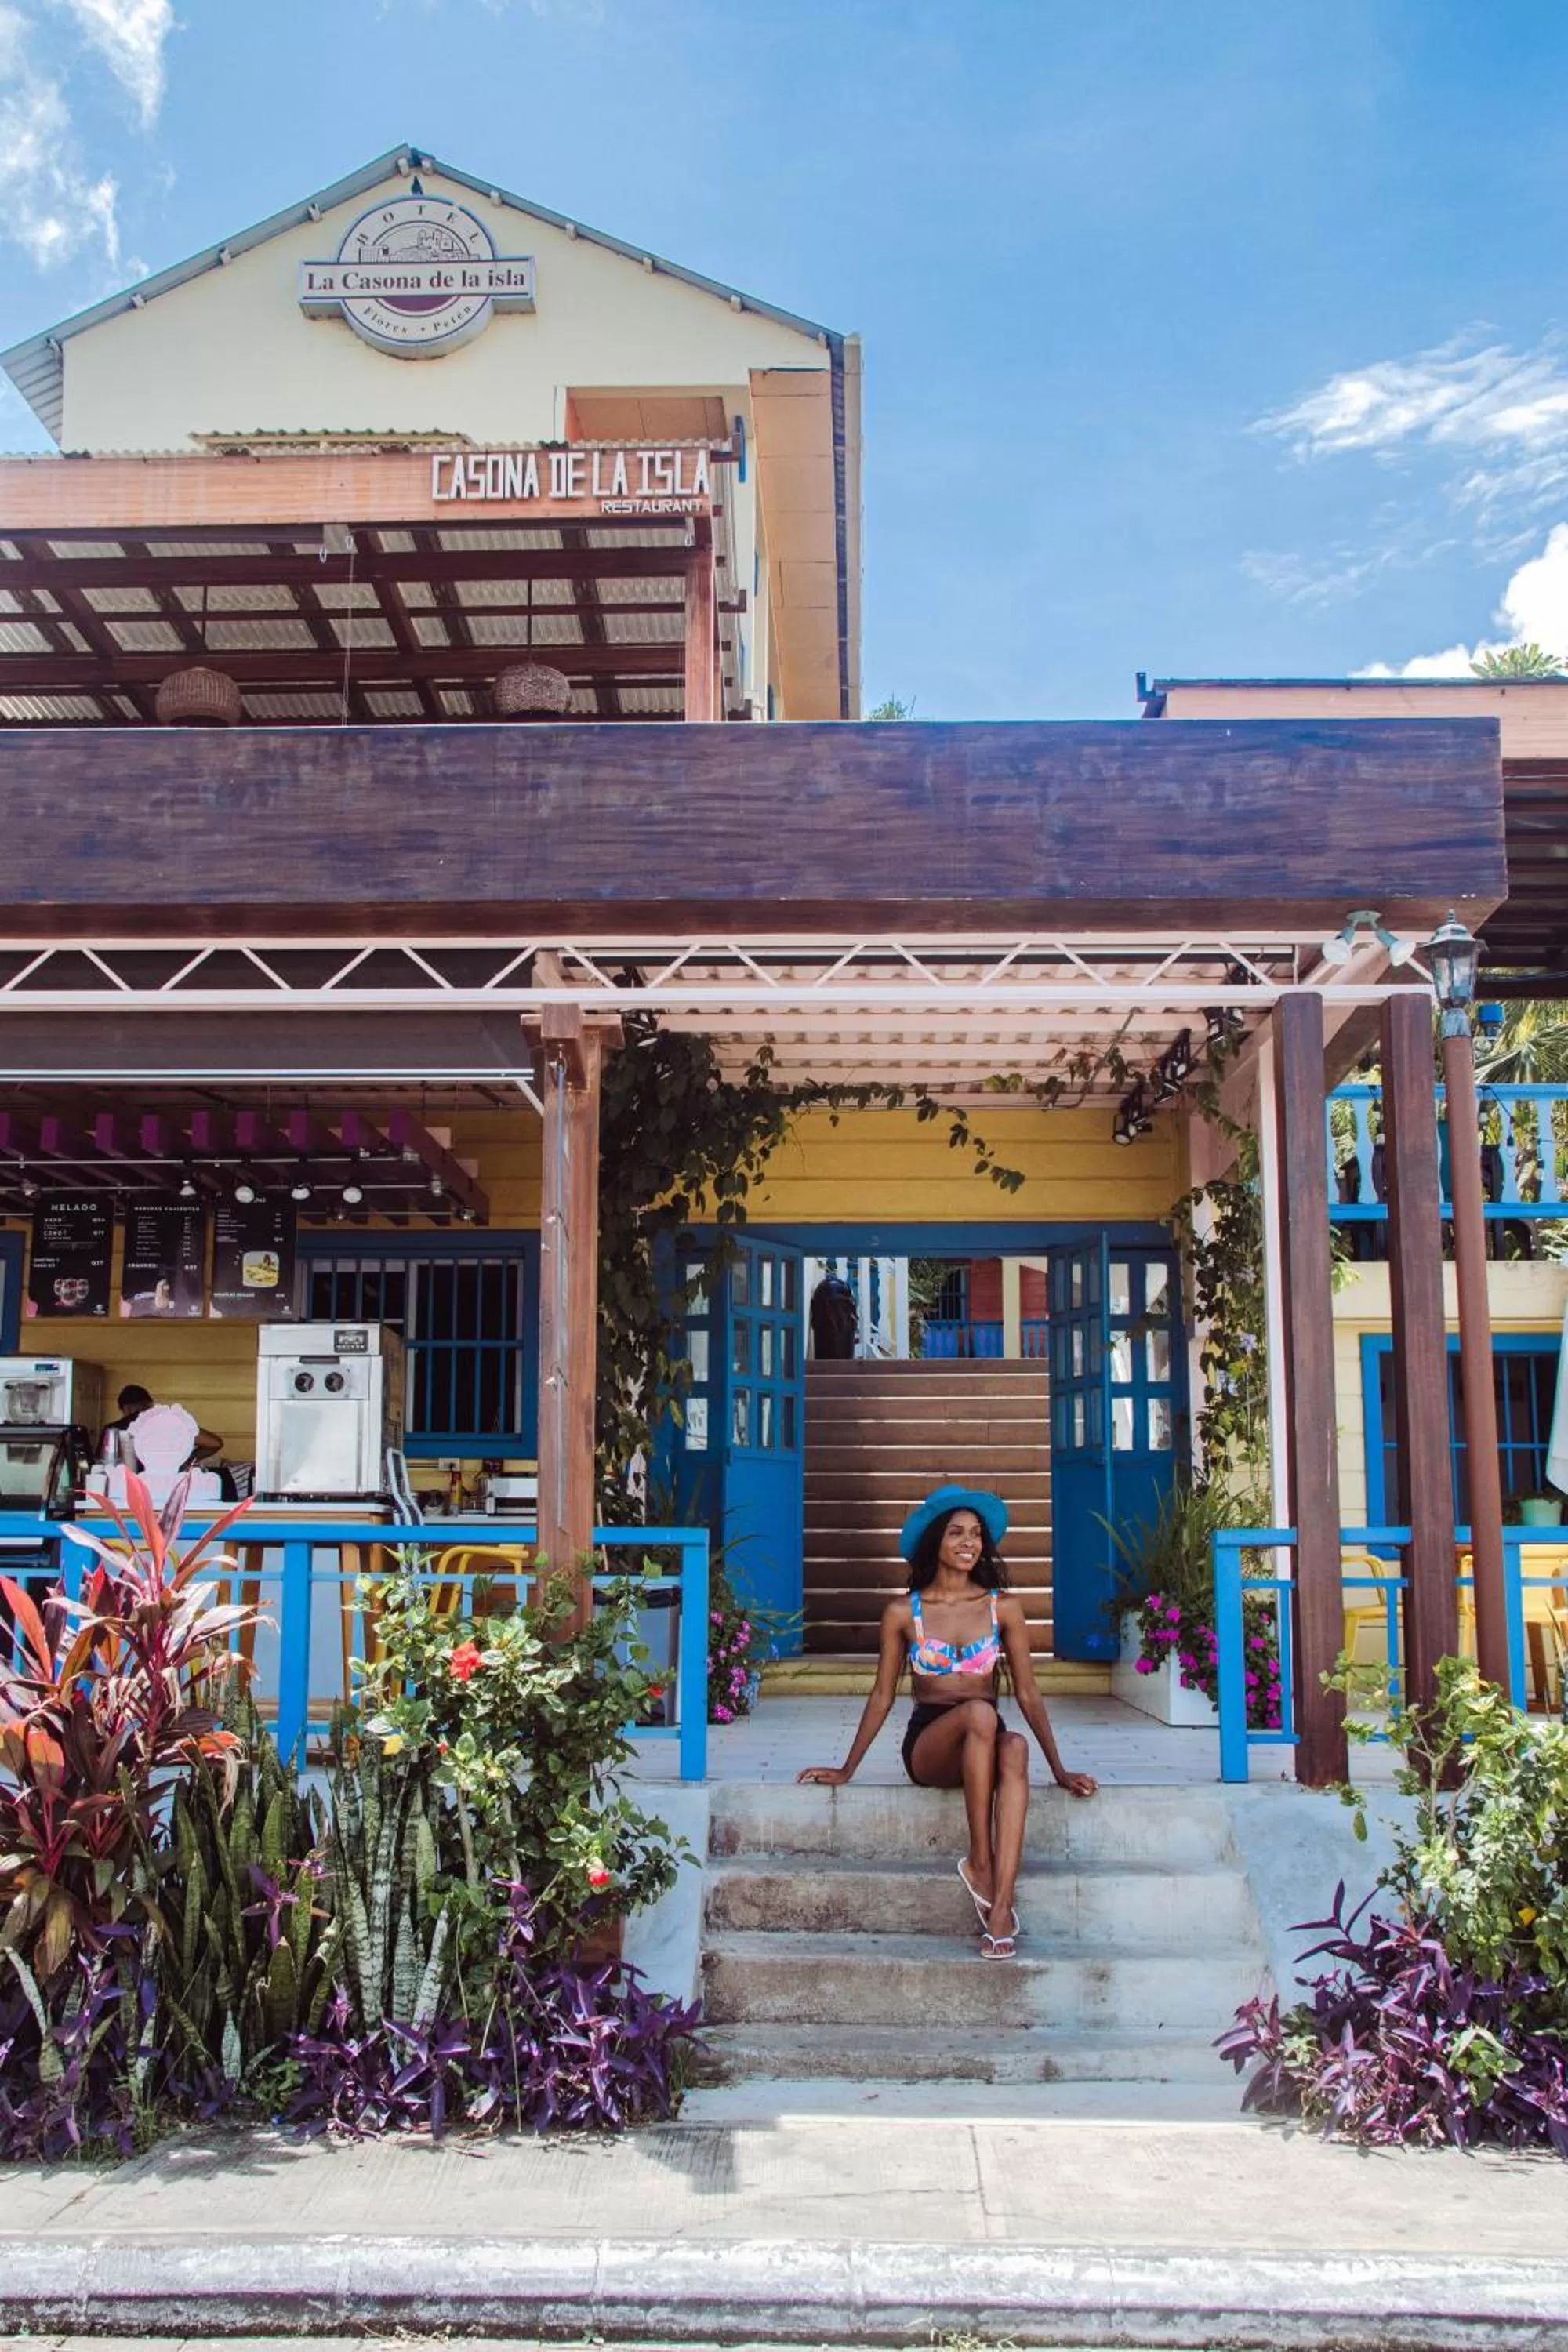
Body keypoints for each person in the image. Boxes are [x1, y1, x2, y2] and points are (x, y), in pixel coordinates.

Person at [797, 1483, 1096, 1961]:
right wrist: (846, 1768)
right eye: (956, 1532)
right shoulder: (903, 1611)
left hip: (985, 1734)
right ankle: (980, 1860)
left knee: (1013, 1745)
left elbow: (1027, 1693)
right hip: (932, 1744)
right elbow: (881, 1695)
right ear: (934, 1541)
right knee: (980, 1714)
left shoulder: (1004, 1608)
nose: (969, 1543)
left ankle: (1001, 1905)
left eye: (977, 1535)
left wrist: (1059, 1770)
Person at [101, 1383, 223, 1467]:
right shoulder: (168, 1422)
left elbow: (101, 1464)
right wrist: (186, 1460)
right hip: (167, 1485)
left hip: (128, 1488)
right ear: (150, 1405)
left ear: (126, 1409)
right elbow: (214, 1443)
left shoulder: (112, 1430)